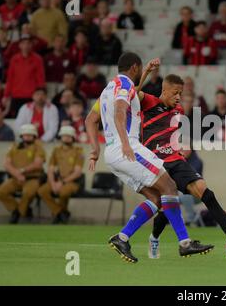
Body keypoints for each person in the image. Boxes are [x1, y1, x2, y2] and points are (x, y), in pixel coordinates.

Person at [89, 73, 226, 259]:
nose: (178, 97)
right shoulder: (149, 102)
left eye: (181, 93)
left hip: (174, 160)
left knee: (205, 192)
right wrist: (146, 73)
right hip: (152, 159)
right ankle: (155, 238)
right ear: (164, 90)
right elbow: (131, 94)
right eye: (175, 92)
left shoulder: (179, 110)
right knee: (165, 202)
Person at [85, 53, 213, 263]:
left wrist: (94, 150)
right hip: (128, 148)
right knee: (170, 187)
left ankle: (122, 237)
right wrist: (126, 143)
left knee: (156, 197)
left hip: (112, 153)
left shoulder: (109, 89)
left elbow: (90, 120)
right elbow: (120, 111)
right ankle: (185, 243)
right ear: (134, 67)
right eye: (140, 68)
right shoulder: (125, 87)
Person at [0, 124, 45, 224]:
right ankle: (17, 210)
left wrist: (22, 171)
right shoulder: (14, 147)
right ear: (21, 136)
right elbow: (7, 164)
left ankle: (18, 214)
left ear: (34, 136)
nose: (27, 137)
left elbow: (38, 164)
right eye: (25, 135)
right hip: (16, 178)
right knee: (1, 191)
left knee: (28, 193)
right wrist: (17, 174)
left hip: (33, 178)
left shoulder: (38, 147)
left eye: (30, 135)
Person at [37, 126, 84, 224]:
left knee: (63, 192)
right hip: (57, 179)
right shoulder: (56, 150)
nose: (66, 138)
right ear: (60, 137)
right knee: (42, 191)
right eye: (64, 136)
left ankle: (58, 215)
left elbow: (77, 172)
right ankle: (60, 213)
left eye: (68, 136)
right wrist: (53, 183)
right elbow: (50, 169)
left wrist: (61, 182)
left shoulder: (78, 150)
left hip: (72, 181)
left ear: (73, 137)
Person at [4, 35, 46, 117]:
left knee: (32, 120)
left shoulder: (38, 59)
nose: (26, 46)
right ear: (19, 45)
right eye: (23, 43)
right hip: (16, 96)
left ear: (31, 45)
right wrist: (6, 95)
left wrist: (41, 94)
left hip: (32, 97)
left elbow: (41, 78)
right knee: (16, 119)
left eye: (28, 43)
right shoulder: (14, 59)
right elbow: (10, 78)